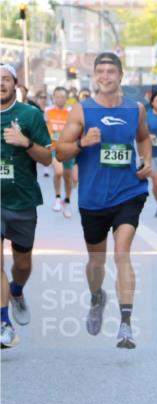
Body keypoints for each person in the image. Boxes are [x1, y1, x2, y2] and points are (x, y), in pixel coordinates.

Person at [55, 52, 152, 349]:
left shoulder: (135, 109)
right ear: (94, 77)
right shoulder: (82, 111)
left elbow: (144, 138)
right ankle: (97, 297)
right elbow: (60, 152)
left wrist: (147, 161)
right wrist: (82, 143)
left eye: (111, 71)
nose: (106, 76)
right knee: (96, 262)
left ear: (121, 76)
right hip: (94, 199)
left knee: (122, 252)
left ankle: (125, 325)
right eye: (101, 72)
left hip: (129, 192)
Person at [1, 63, 53, 348]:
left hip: (21, 201)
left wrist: (25, 142)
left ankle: (17, 290)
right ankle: (4, 323)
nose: (0, 83)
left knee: (22, 263)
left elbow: (46, 158)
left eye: (5, 79)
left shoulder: (30, 115)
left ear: (15, 84)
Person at [44, 86, 76, 219]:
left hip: (68, 148)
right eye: (57, 97)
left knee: (68, 178)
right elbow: (44, 128)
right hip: (54, 147)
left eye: (63, 97)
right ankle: (57, 198)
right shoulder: (48, 111)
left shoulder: (72, 112)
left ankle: (67, 202)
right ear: (53, 98)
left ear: (66, 98)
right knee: (58, 172)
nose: (60, 99)